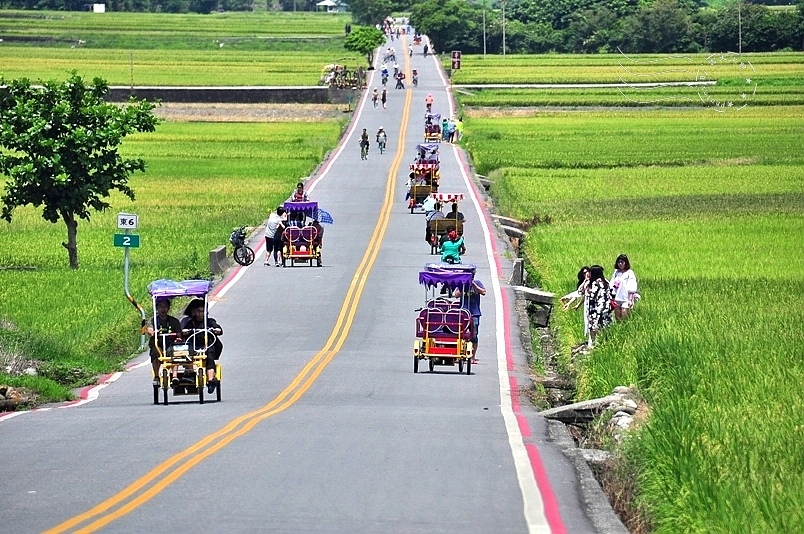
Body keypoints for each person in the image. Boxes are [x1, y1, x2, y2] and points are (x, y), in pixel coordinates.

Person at [180, 298, 223, 394]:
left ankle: (211, 380)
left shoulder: (210, 321)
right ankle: (190, 373)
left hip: (208, 345)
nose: (201, 314)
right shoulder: (190, 322)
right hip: (194, 346)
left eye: (203, 311)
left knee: (210, 355)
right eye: (199, 311)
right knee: (186, 351)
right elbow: (183, 331)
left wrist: (217, 329)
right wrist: (185, 331)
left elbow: (218, 328)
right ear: (194, 312)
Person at [146, 297, 183, 386]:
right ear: (157, 308)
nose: (163, 309)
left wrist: (178, 338)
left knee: (176, 352)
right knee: (154, 353)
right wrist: (154, 333)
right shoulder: (153, 320)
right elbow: (149, 330)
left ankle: (174, 376)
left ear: (168, 308)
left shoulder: (174, 321)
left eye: (165, 306)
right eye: (161, 306)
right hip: (158, 344)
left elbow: (179, 334)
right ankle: (156, 376)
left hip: (170, 344)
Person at [453, 279, 486, 363]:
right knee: (460, 334)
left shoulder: (478, 282)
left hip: (474, 313)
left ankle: (473, 357)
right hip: (463, 312)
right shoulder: (461, 283)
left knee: (474, 335)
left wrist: (474, 285)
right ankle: (458, 355)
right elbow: (456, 295)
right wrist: (464, 288)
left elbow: (483, 292)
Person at [586, 265, 614, 347]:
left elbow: (592, 296)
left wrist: (588, 291)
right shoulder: (606, 282)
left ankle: (594, 344)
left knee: (595, 325)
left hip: (597, 308)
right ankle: (604, 342)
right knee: (604, 325)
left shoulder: (595, 283)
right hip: (606, 307)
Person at [610, 254, 639, 320]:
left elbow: (632, 286)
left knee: (624, 313)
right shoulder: (616, 272)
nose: (620, 264)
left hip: (626, 297)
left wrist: (630, 300)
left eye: (622, 262)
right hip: (617, 297)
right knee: (617, 315)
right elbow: (612, 284)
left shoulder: (629, 273)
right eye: (619, 262)